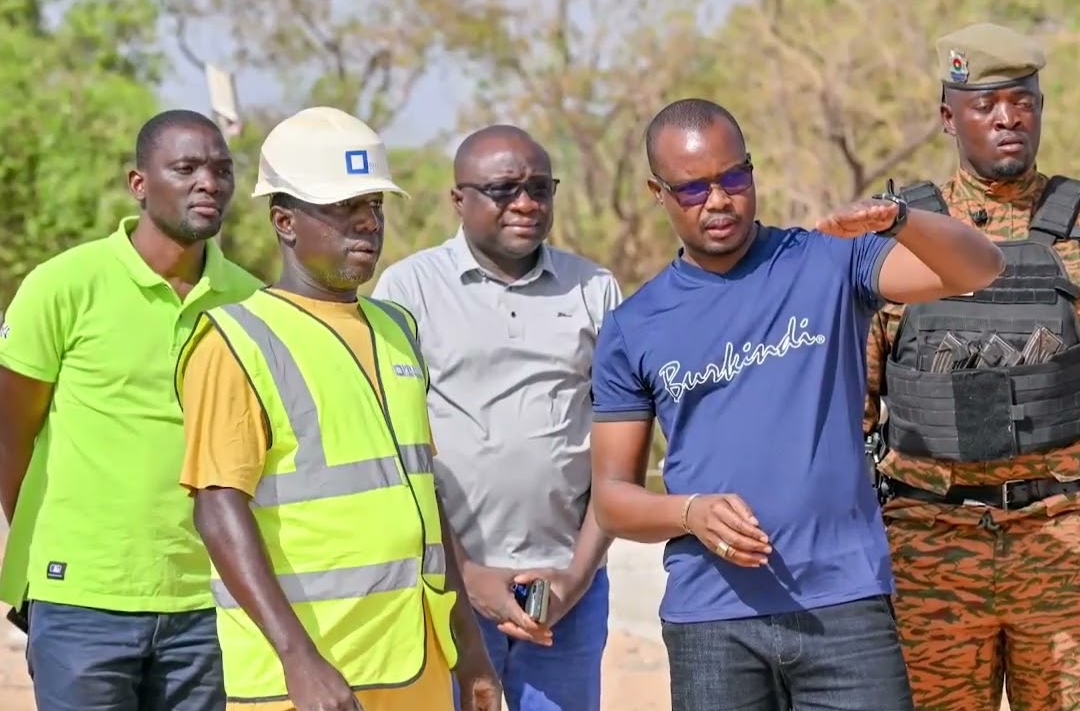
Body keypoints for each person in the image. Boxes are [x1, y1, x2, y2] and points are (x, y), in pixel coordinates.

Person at [589, 97, 1005, 711]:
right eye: (693, 189)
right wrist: (690, 514)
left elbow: (979, 268)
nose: (720, 200)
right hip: (711, 621)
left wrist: (898, 219)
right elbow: (611, 501)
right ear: (658, 192)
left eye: (734, 176)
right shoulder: (635, 326)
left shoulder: (828, 261)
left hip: (844, 607)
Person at [862, 23, 1080, 711]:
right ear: (947, 117)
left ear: (1040, 107)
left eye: (1022, 100)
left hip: (1064, 543)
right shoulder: (894, 238)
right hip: (928, 549)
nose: (1008, 118)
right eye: (985, 104)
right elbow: (847, 411)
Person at [174, 106, 500, 711]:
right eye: (343, 207)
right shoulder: (236, 340)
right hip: (308, 677)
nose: (367, 223)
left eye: (373, 205)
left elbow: (424, 499)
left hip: (415, 665)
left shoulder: (396, 328)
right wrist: (299, 660)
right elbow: (218, 512)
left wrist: (468, 645)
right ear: (284, 221)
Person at [0, 109, 261, 710]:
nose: (209, 183)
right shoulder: (63, 285)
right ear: (139, 183)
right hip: (82, 599)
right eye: (187, 167)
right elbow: (11, 437)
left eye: (222, 169)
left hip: (206, 603)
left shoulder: (250, 301)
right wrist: (63, 543)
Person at [372, 124, 620, 711]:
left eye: (540, 187)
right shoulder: (407, 291)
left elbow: (620, 448)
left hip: (566, 592)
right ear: (459, 200)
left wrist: (577, 578)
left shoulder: (595, 289)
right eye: (505, 189)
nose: (527, 203)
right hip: (448, 589)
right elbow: (401, 455)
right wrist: (468, 577)